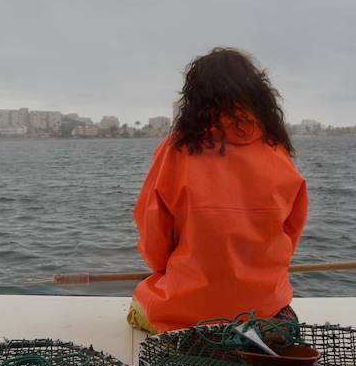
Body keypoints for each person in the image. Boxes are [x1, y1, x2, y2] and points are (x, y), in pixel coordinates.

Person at [127, 48, 308, 334]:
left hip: (186, 310)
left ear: (194, 97)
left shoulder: (177, 148)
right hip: (262, 308)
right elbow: (290, 234)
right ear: (256, 93)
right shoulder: (278, 150)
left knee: (138, 305)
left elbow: (154, 236)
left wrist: (167, 269)